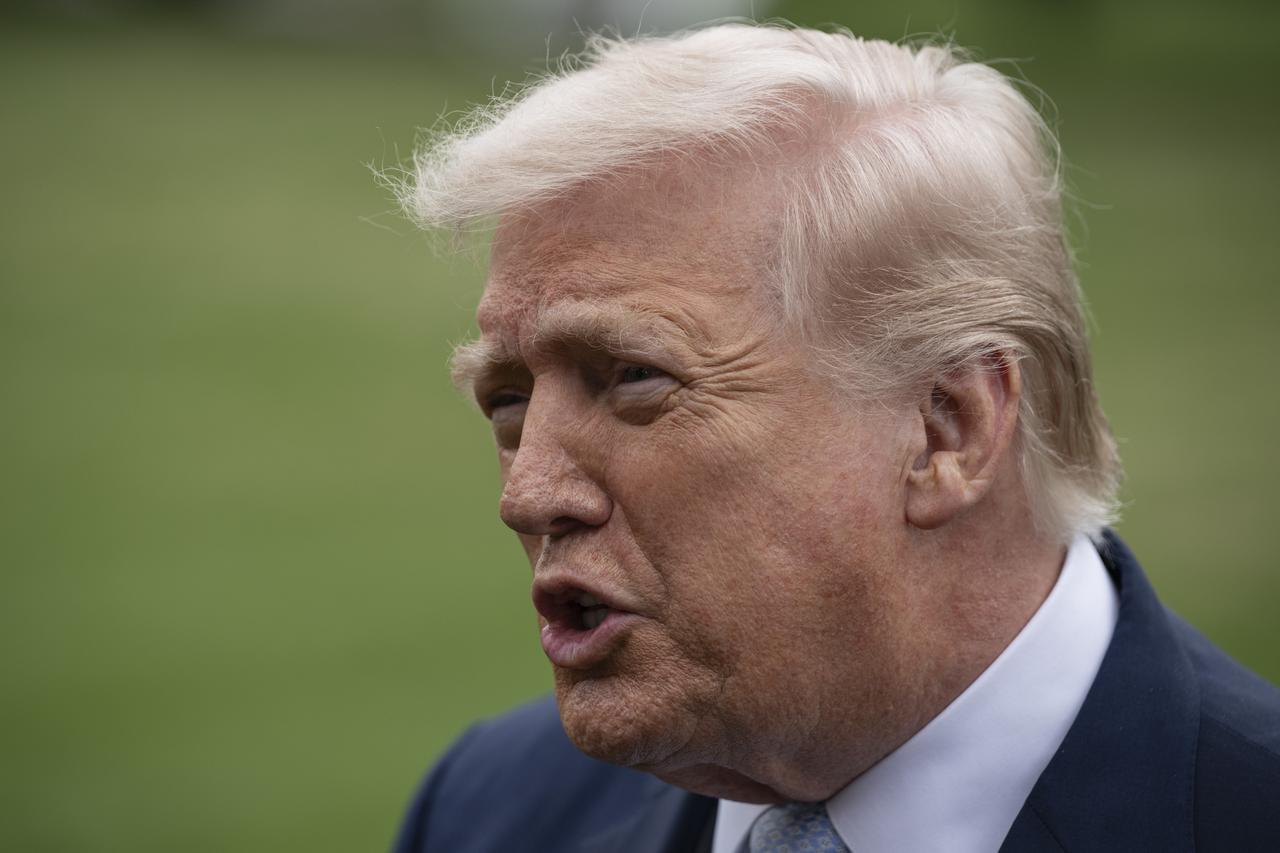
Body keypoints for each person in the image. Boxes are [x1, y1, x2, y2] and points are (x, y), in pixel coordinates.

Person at [390, 23, 1280, 853]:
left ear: (947, 429)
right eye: (507, 400)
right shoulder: (488, 810)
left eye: (634, 379)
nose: (529, 493)